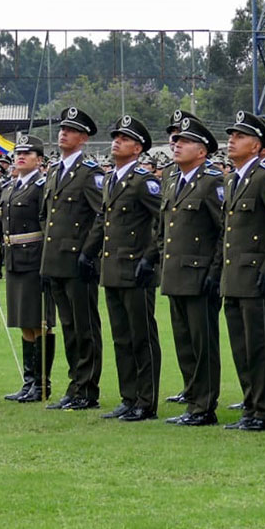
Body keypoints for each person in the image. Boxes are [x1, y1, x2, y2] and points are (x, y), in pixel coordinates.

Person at [220, 111, 265, 431]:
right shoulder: (235, 178)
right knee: (242, 347)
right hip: (235, 278)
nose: (231, 140)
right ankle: (251, 406)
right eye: (231, 135)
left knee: (263, 346)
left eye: (239, 136)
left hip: (258, 276)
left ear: (256, 145)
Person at [157, 113, 225, 426]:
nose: (176, 145)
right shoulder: (172, 180)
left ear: (202, 151)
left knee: (203, 343)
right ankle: (192, 395)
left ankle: (204, 407)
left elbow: (223, 230)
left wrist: (214, 271)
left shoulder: (212, 182)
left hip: (200, 275)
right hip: (176, 273)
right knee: (185, 342)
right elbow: (165, 229)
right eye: (176, 140)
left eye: (185, 142)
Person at [39, 107, 105, 411]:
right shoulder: (54, 171)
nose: (62, 133)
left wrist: (88, 253)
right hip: (56, 260)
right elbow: (47, 218)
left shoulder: (90, 173)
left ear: (83, 138)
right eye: (62, 128)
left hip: (79, 261)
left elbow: (100, 216)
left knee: (84, 327)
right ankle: (74, 385)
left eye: (70, 130)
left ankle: (87, 389)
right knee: (68, 326)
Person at [97, 115, 163, 421]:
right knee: (121, 337)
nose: (116, 142)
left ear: (137, 148)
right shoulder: (112, 178)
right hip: (113, 268)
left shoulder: (143, 181)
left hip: (137, 269)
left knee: (142, 337)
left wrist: (150, 258)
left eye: (123, 139)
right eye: (115, 137)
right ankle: (129, 396)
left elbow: (162, 220)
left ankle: (146, 401)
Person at [0, 135, 51, 402]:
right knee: (22, 321)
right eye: (18, 153)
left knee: (39, 321)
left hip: (35, 260)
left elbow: (47, 226)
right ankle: (29, 380)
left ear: (39, 160)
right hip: (14, 260)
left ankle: (42, 384)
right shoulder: (10, 188)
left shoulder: (42, 187)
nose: (20, 156)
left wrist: (47, 263)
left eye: (28, 153)